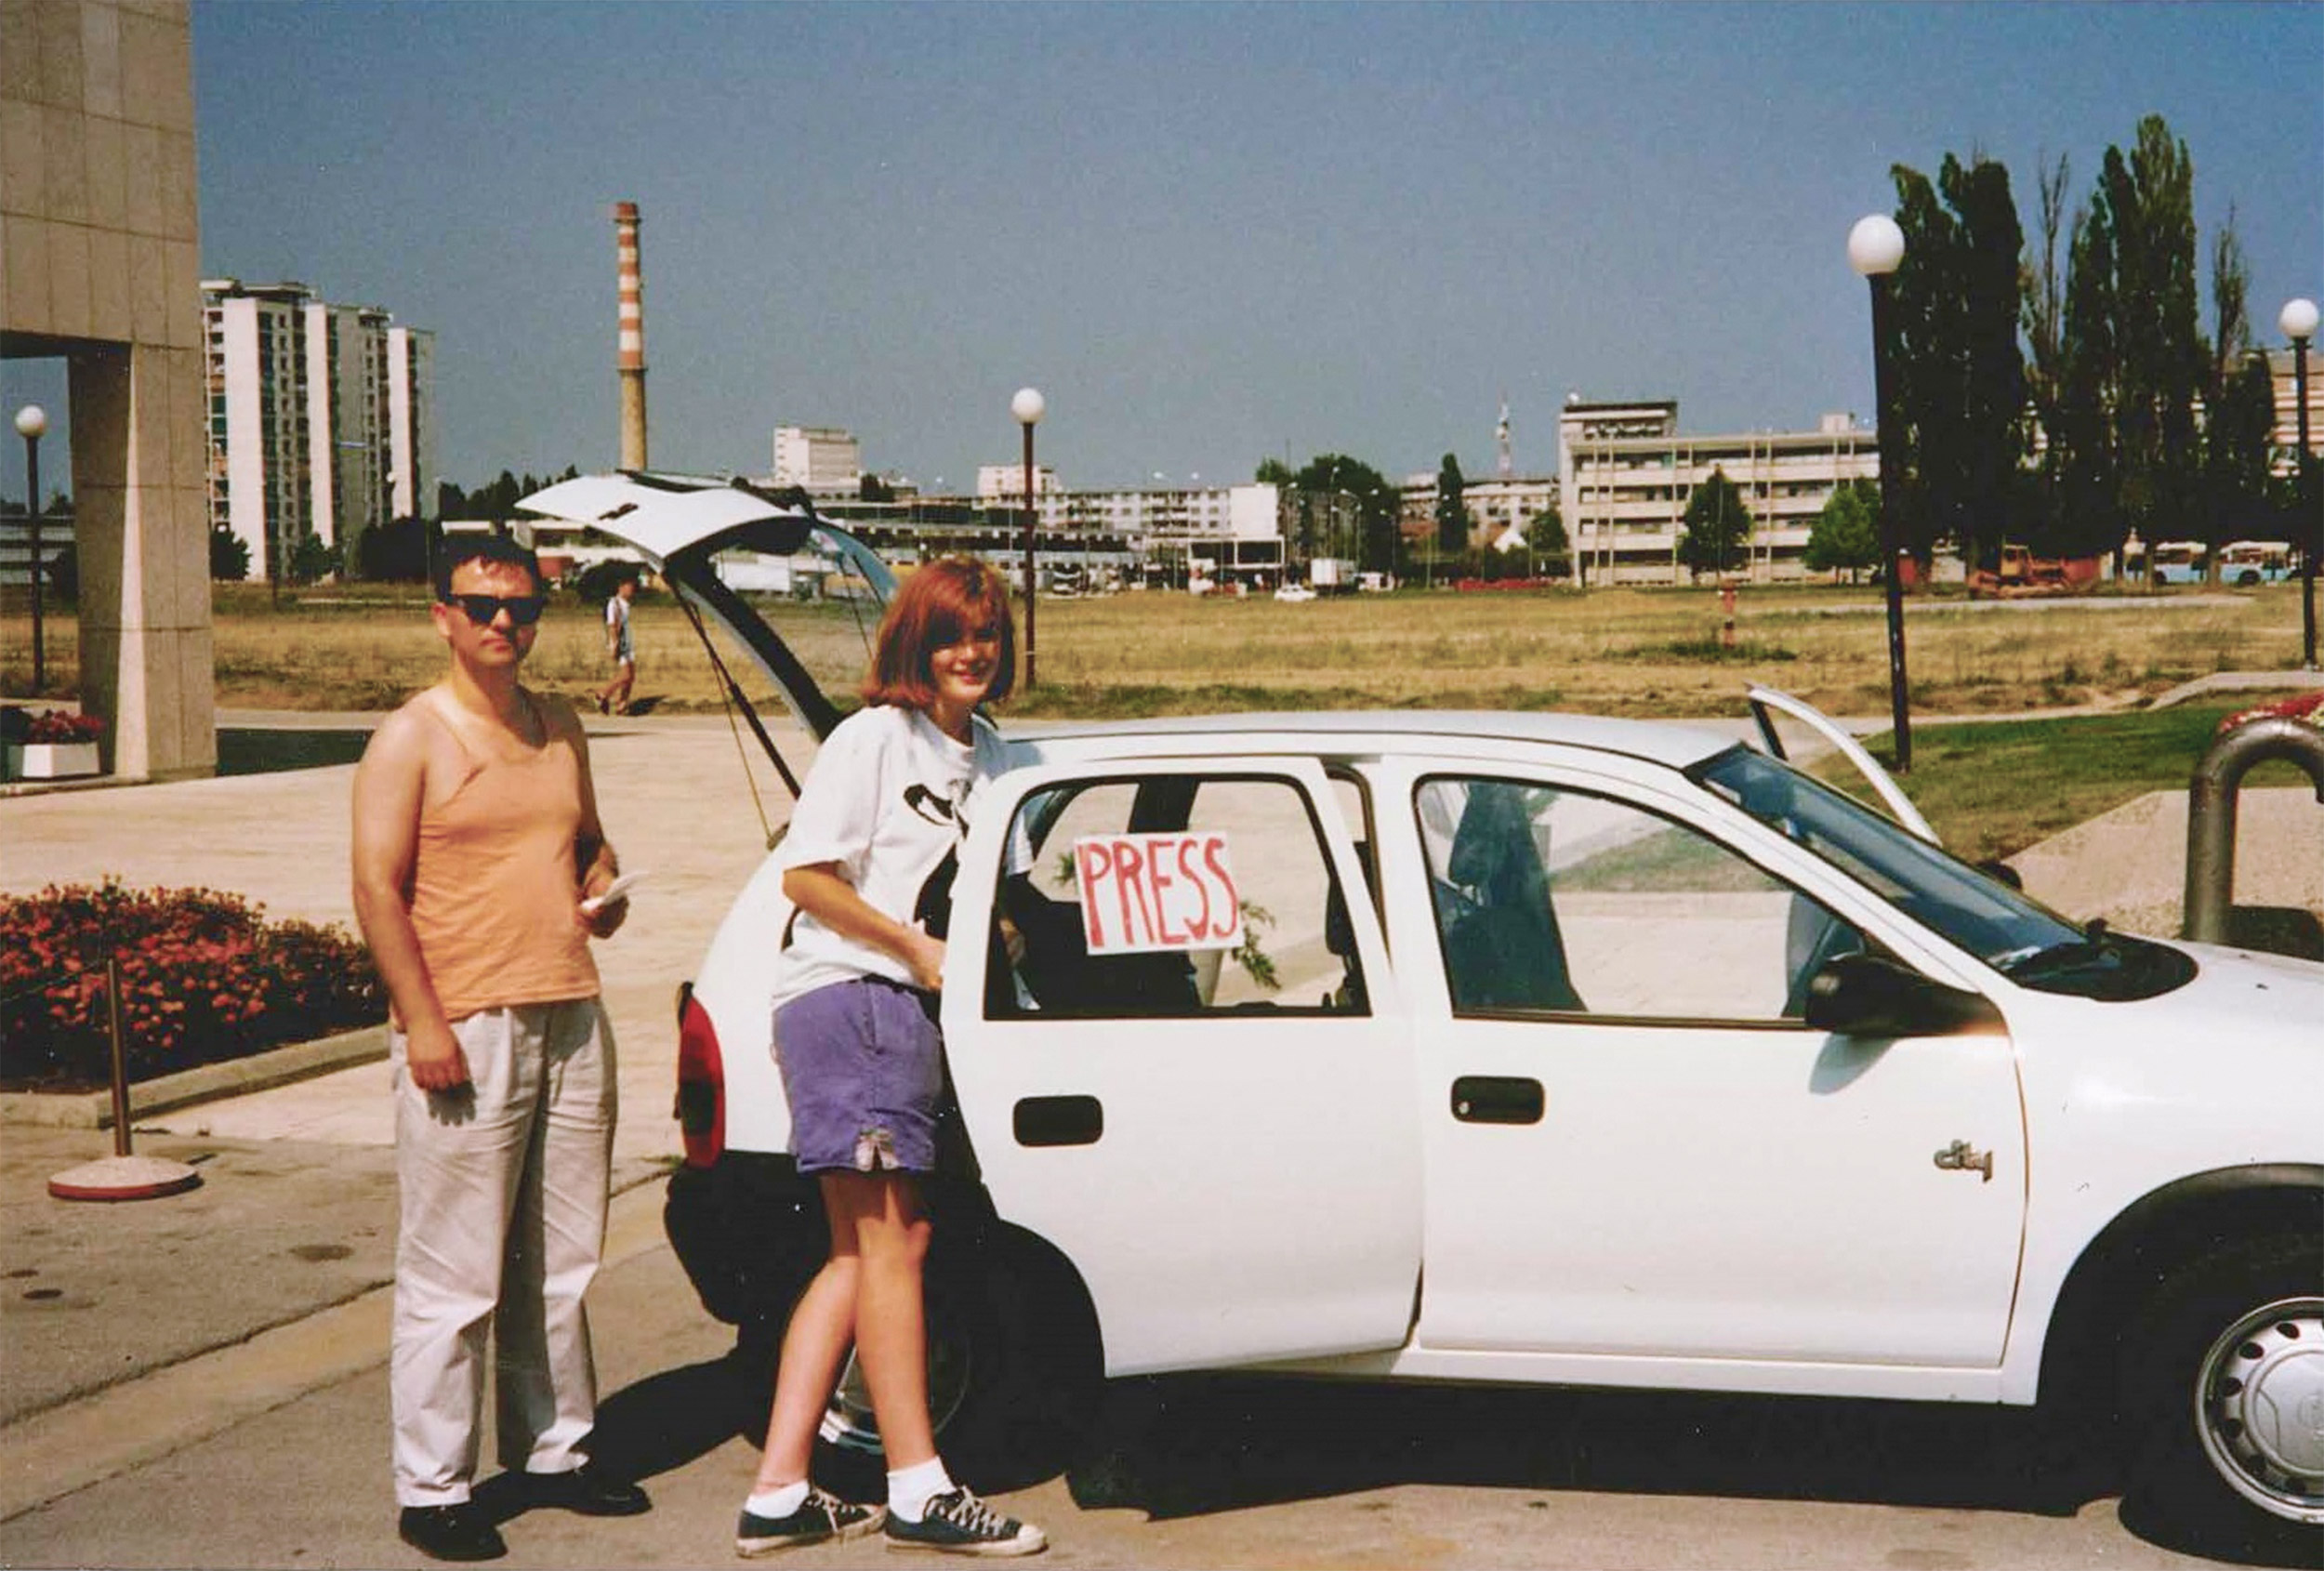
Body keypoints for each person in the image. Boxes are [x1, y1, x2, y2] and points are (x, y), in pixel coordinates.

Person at [733, 556, 1047, 1558]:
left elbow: (1004, 899)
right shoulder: (877, 737)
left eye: (988, 635)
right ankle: (918, 1488)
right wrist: (913, 949)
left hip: (908, 1008)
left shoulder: (994, 754)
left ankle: (778, 1488)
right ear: (916, 642)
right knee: (895, 1242)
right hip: (853, 999)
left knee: (863, 1251)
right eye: (953, 634)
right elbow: (807, 881)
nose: (972, 652)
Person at [351, 534, 649, 1563]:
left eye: (519, 609)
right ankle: (433, 1484)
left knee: (560, 1260)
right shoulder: (411, 737)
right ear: (441, 614)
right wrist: (422, 1019)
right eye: (480, 607)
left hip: (568, 1008)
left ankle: (557, 1449)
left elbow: (586, 842)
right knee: (458, 1271)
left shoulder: (560, 723)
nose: (501, 626)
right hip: (466, 1020)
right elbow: (375, 888)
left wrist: (600, 888)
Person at [596, 573, 637, 716]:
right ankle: (603, 694)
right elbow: (612, 625)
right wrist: (614, 645)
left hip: (627, 641)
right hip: (620, 642)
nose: (632, 590)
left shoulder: (626, 604)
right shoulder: (614, 603)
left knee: (631, 676)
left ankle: (622, 705)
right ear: (621, 587)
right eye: (629, 587)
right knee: (626, 675)